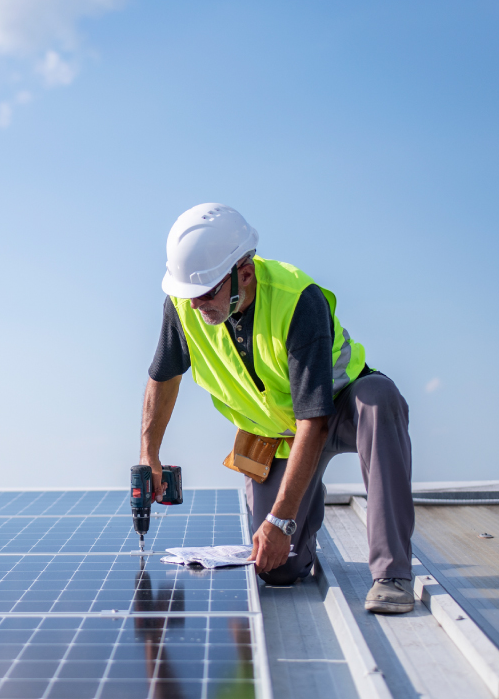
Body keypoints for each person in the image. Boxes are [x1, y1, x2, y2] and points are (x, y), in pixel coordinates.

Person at [137, 203, 417, 614]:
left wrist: (282, 521)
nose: (196, 306)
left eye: (206, 293)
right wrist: (150, 454)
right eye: (188, 295)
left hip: (338, 411)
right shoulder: (184, 306)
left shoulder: (297, 300)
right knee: (278, 570)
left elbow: (314, 420)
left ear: (244, 273)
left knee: (380, 400)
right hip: (274, 436)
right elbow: (163, 377)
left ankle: (392, 573)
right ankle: (306, 502)